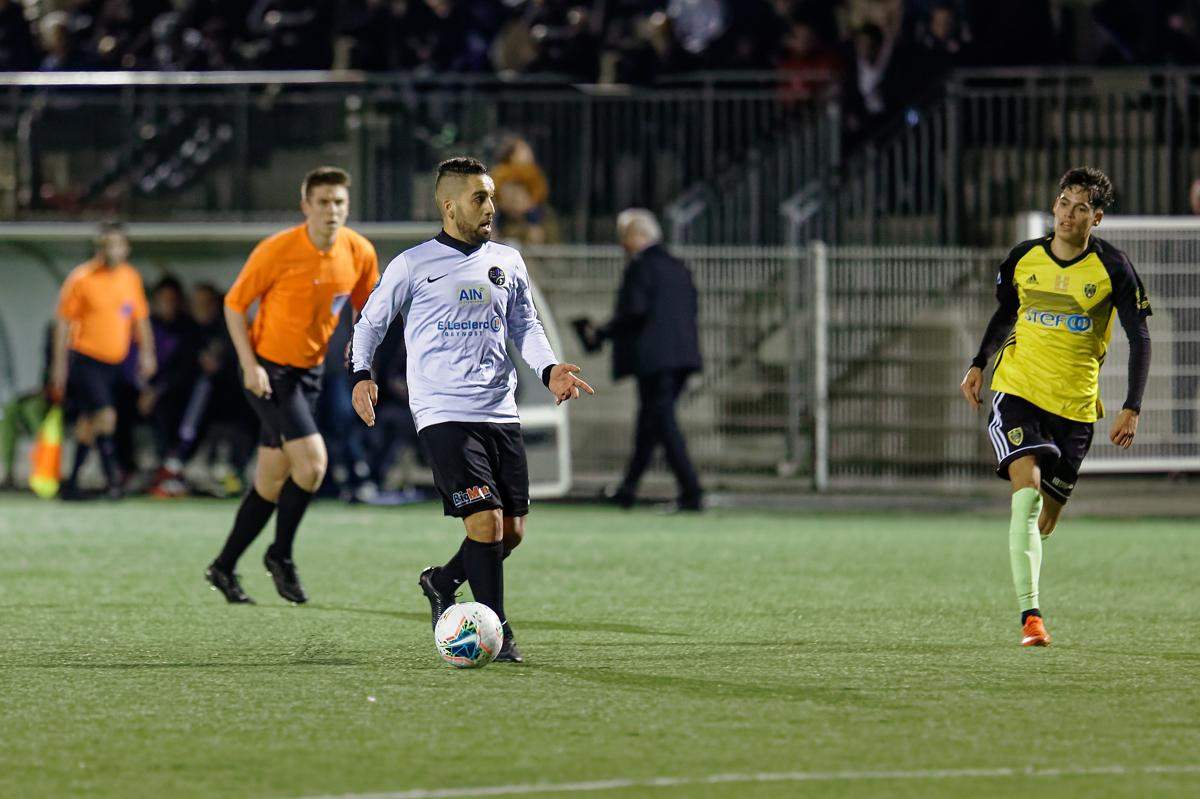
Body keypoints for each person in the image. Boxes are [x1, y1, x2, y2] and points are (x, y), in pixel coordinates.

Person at [349, 156, 594, 663]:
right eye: (480, 198)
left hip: (499, 409)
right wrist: (361, 375)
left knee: (511, 532)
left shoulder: (508, 261)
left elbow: (524, 324)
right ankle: (496, 630)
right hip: (443, 411)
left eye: (492, 197)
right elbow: (370, 324)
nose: (491, 207)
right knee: (484, 522)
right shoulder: (413, 264)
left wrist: (549, 370)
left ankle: (441, 580)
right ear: (448, 205)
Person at [960, 166, 1152, 647]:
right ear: (1054, 206)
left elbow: (1140, 336)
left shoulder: (1114, 269)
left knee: (1044, 519)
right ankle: (1031, 617)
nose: (1069, 213)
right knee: (1025, 497)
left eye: (1081, 207)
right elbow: (1005, 312)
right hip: (1018, 390)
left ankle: (1023, 559)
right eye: (1064, 202)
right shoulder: (1024, 257)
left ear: (1098, 217)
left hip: (1076, 408)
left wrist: (1132, 406)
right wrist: (979, 362)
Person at [205, 166, 379, 605]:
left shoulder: (359, 251)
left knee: (271, 479)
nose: (331, 210)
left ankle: (223, 567)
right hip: (269, 372)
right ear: (306, 207)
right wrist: (249, 365)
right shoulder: (277, 250)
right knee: (313, 465)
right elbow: (233, 304)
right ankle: (280, 555)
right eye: (322, 202)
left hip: (310, 373)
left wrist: (359, 349)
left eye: (338, 202)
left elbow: (367, 307)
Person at [575, 209, 704, 511]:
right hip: (682, 358)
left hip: (654, 361)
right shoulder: (678, 266)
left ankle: (692, 492)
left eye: (625, 237)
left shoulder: (641, 268)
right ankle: (628, 490)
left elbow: (634, 310)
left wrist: (602, 332)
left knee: (662, 423)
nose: (623, 244)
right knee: (650, 425)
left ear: (637, 237)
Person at [51, 223, 156, 499]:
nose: (113, 250)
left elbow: (140, 318)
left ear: (126, 248)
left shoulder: (130, 278)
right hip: (86, 358)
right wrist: (58, 366)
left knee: (89, 422)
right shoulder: (82, 278)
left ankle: (72, 483)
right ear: (99, 248)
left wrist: (147, 353)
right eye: (107, 245)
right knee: (107, 417)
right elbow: (63, 323)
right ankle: (113, 481)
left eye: (118, 244)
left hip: (116, 362)